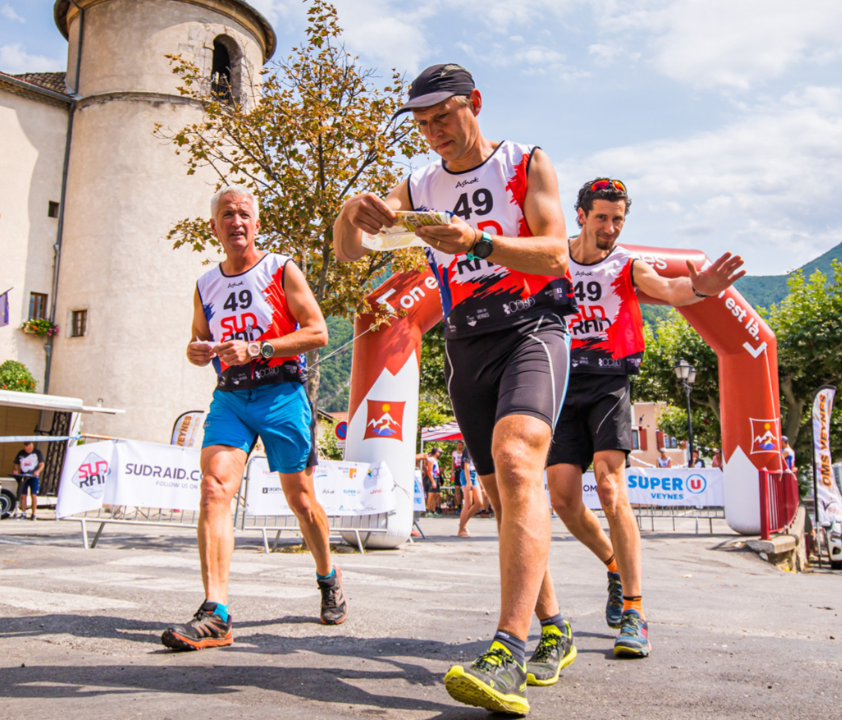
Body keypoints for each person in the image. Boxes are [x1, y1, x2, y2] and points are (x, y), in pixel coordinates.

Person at [334, 63, 577, 715]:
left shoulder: (524, 162)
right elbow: (352, 251)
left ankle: (509, 651)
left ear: (475, 103)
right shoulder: (419, 185)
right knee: (501, 493)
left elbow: (556, 252)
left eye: (443, 116)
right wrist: (350, 214)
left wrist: (478, 241)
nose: (433, 131)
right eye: (422, 123)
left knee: (518, 463)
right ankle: (554, 628)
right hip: (466, 342)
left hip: (532, 327)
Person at [543, 178, 746, 669]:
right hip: (562, 380)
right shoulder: (554, 257)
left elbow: (671, 289)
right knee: (564, 499)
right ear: (580, 215)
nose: (610, 228)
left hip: (609, 380)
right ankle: (614, 564)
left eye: (618, 219)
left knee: (610, 486)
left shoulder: (627, 265)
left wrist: (701, 287)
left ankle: (635, 611)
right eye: (602, 218)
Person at [161, 185, 342, 653]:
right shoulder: (205, 284)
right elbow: (198, 339)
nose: (236, 221)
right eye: (227, 214)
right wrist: (196, 351)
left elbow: (317, 331)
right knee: (213, 488)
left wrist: (259, 348)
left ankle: (328, 576)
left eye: (244, 214)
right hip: (231, 398)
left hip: (282, 393)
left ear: (256, 224)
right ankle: (215, 613)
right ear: (214, 226)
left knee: (301, 500)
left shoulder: (280, 269)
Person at [454, 441, 483, 537]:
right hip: (466, 474)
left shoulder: (479, 450)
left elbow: (477, 467)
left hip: (474, 474)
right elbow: (466, 466)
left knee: (479, 502)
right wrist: (468, 481)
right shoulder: (469, 448)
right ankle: (460, 530)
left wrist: (480, 482)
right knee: (468, 503)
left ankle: (464, 523)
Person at [13, 441, 45, 520]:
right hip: (24, 476)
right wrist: (15, 470)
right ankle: (23, 513)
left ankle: (33, 513)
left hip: (33, 477)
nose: (28, 451)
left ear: (32, 446)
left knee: (33, 495)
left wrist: (38, 471)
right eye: (26, 449)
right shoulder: (21, 453)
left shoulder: (37, 452)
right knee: (23, 495)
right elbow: (16, 463)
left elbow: (42, 464)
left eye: (29, 449)